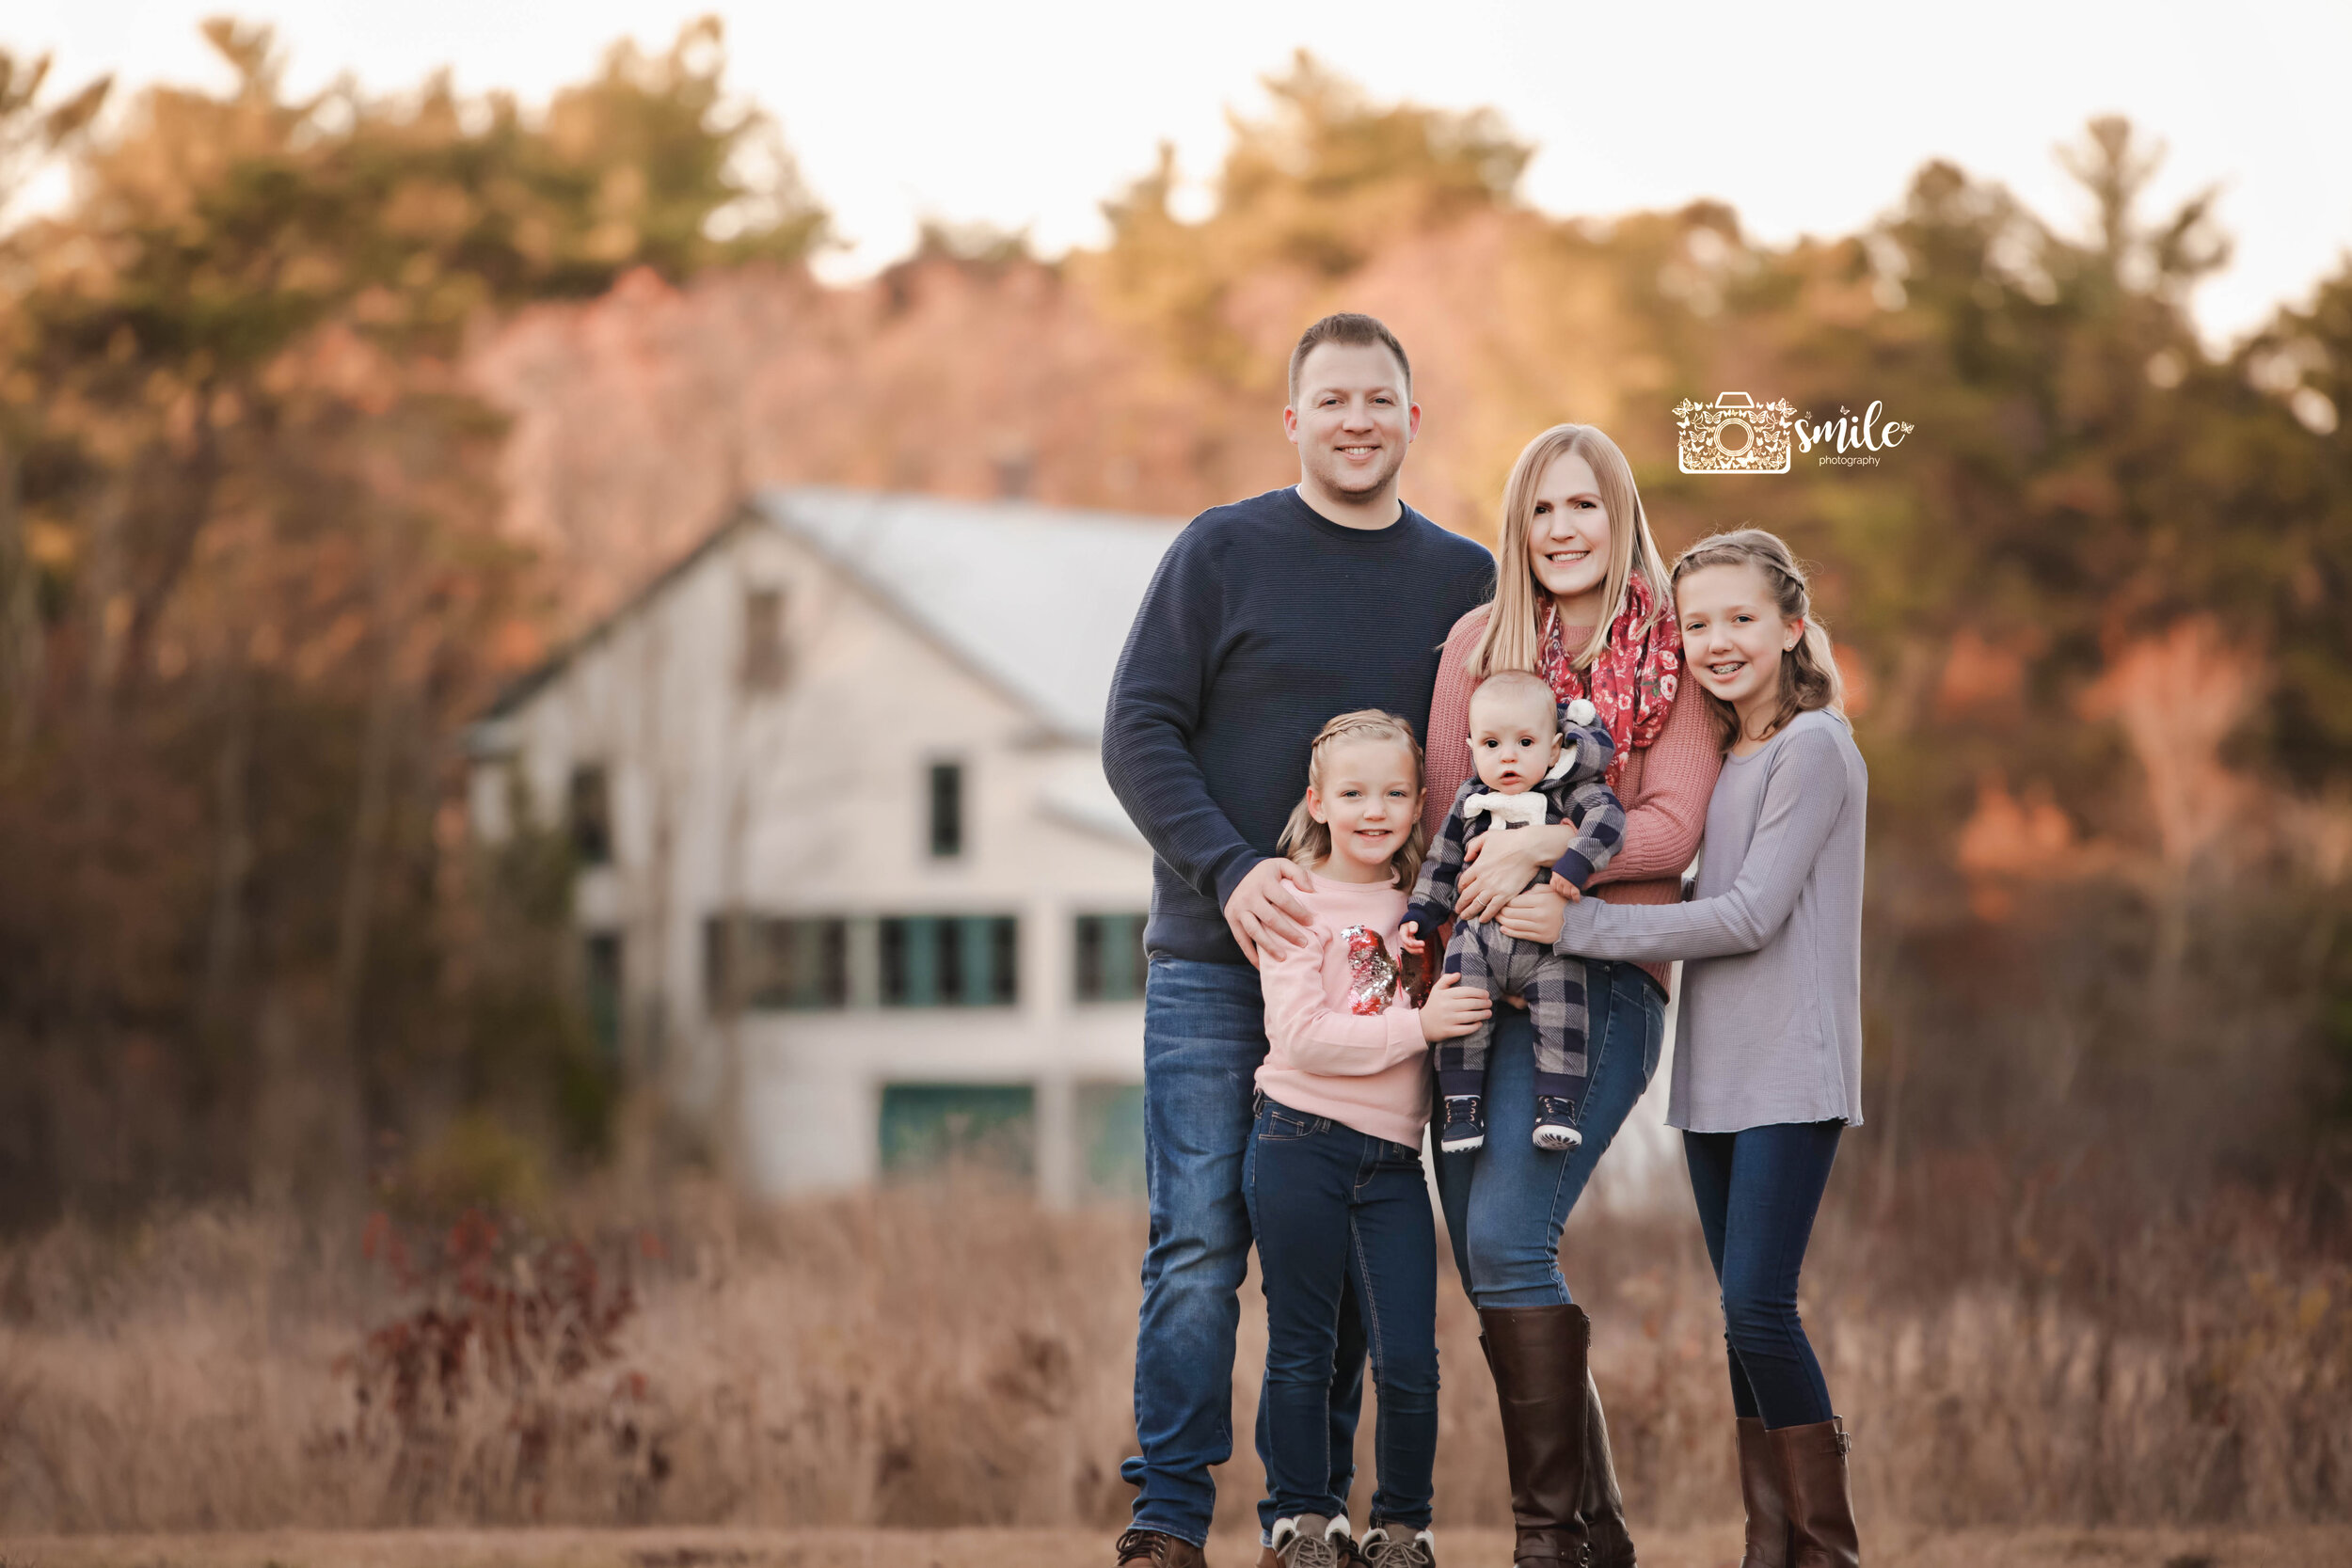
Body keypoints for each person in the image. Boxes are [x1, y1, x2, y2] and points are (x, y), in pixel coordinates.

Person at [1102, 314, 1494, 1568]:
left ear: (1412, 419)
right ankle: (1167, 1516)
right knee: (1199, 1242)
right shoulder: (1221, 551)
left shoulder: (1465, 582)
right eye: (1332, 399)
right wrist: (1228, 867)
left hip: (1380, 978)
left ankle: (1305, 1519)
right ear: (1295, 419)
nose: (1358, 418)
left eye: (1381, 397)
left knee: (1338, 1263)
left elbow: (1505, 755)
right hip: (1219, 965)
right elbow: (1138, 728)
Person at [1501, 528, 1868, 1567]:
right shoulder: (1732, 750)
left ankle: (1824, 1550)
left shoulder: (1814, 747)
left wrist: (1577, 926)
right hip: (1714, 1073)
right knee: (1738, 1317)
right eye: (1698, 621)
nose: (1718, 640)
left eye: (1742, 619)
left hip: (1790, 1067)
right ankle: (1770, 1547)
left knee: (1759, 1304)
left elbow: (1746, 914)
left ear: (1791, 626)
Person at [1422, 423, 1721, 1568]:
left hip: (1602, 977)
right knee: (1492, 1254)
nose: (1562, 531)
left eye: (1584, 506)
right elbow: (1450, 815)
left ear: (1619, 516)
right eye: (1542, 510)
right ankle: (1594, 1539)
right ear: (1518, 525)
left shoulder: (1671, 649)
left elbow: (1671, 827)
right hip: (1472, 984)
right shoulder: (1472, 647)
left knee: (1506, 1232)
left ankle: (1548, 1543)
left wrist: (1548, 834)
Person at [1249, 710, 1484, 1568]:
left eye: (1393, 792)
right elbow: (1303, 1036)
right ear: (1317, 802)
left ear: (1422, 801)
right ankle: (1304, 1522)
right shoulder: (1293, 898)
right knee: (1304, 1347)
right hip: (1297, 1142)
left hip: (1390, 1164)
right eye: (1352, 793)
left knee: (1408, 1357)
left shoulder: (1426, 910)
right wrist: (1420, 1027)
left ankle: (1402, 1528)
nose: (1373, 809)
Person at [1402, 675, 1623, 1154]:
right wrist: (1420, 912)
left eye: (1525, 743)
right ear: (1471, 747)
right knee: (1463, 1008)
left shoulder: (1569, 792)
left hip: (1545, 943)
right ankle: (1462, 1109)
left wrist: (1575, 860)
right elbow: (1442, 861)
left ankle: (1557, 1108)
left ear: (1553, 747)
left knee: (1565, 1009)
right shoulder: (1468, 801)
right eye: (1491, 743)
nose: (1507, 756)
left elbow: (1609, 821)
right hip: (1478, 939)